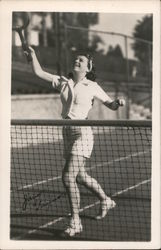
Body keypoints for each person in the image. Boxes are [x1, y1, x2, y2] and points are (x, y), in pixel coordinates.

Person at [27, 47, 125, 237]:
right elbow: (38, 72)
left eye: (81, 60)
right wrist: (32, 55)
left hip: (83, 133)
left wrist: (118, 103)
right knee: (80, 176)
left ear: (88, 67)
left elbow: (110, 105)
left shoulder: (92, 86)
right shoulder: (63, 82)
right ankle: (106, 200)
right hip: (67, 132)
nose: (76, 61)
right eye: (76, 59)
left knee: (67, 177)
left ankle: (75, 221)